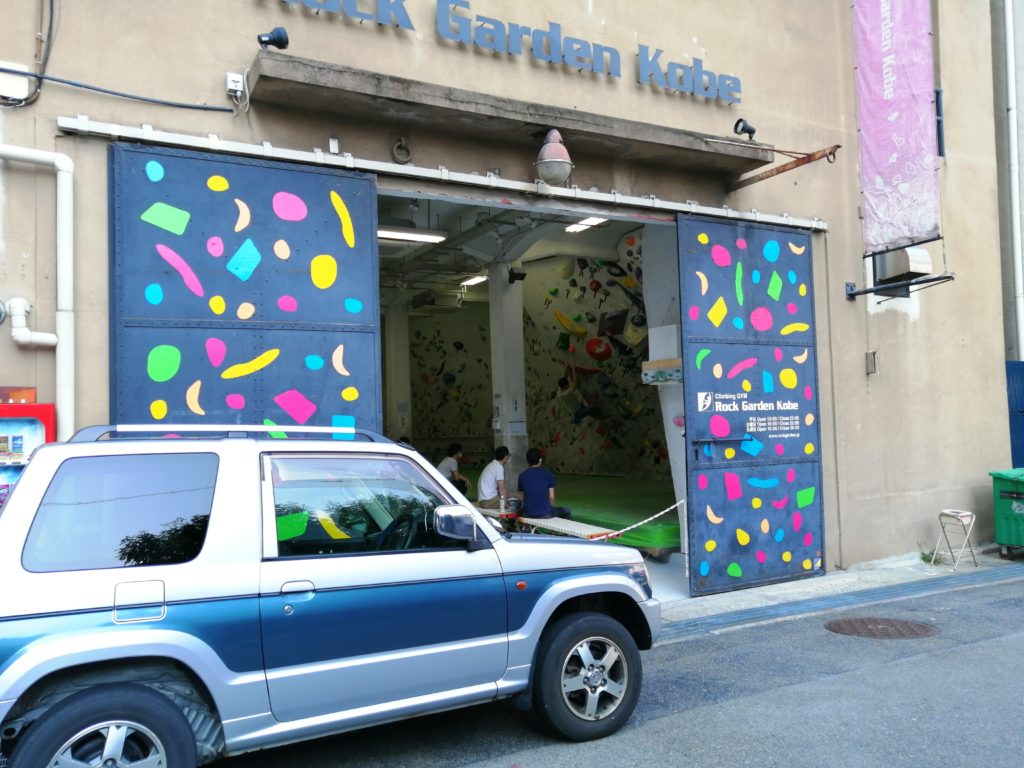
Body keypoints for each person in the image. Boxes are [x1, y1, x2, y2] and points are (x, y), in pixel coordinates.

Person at [518, 447, 571, 519]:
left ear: (527, 460)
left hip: (527, 513)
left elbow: (522, 497)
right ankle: (555, 526)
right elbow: (552, 498)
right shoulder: (548, 473)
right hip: (546, 513)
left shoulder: (522, 475)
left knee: (518, 511)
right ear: (540, 460)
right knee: (567, 509)